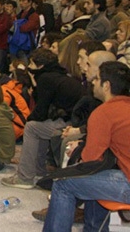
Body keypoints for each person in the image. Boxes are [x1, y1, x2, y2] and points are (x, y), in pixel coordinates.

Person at [42, 61, 130, 232]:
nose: (93, 83)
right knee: (96, 178)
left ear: (106, 86)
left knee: (63, 184)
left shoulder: (104, 112)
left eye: (96, 79)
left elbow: (90, 160)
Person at [1, 49, 83, 189]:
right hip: (73, 120)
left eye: (32, 64)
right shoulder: (60, 76)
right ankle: (39, 170)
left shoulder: (46, 78)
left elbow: (40, 109)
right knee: (38, 125)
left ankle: (24, 177)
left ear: (40, 66)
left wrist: (28, 120)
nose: (29, 68)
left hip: (70, 123)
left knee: (32, 127)